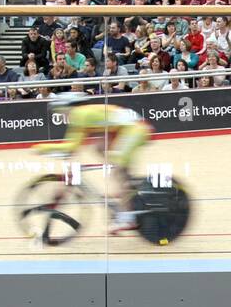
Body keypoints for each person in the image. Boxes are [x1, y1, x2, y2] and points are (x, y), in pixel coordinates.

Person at [34, 94, 152, 234]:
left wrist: (40, 148)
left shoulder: (79, 114)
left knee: (117, 168)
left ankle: (128, 218)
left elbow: (71, 146)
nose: (60, 115)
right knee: (98, 148)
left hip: (135, 129)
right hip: (125, 128)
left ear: (66, 107)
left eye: (60, 111)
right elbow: (74, 149)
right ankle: (126, 188)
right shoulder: (84, 113)